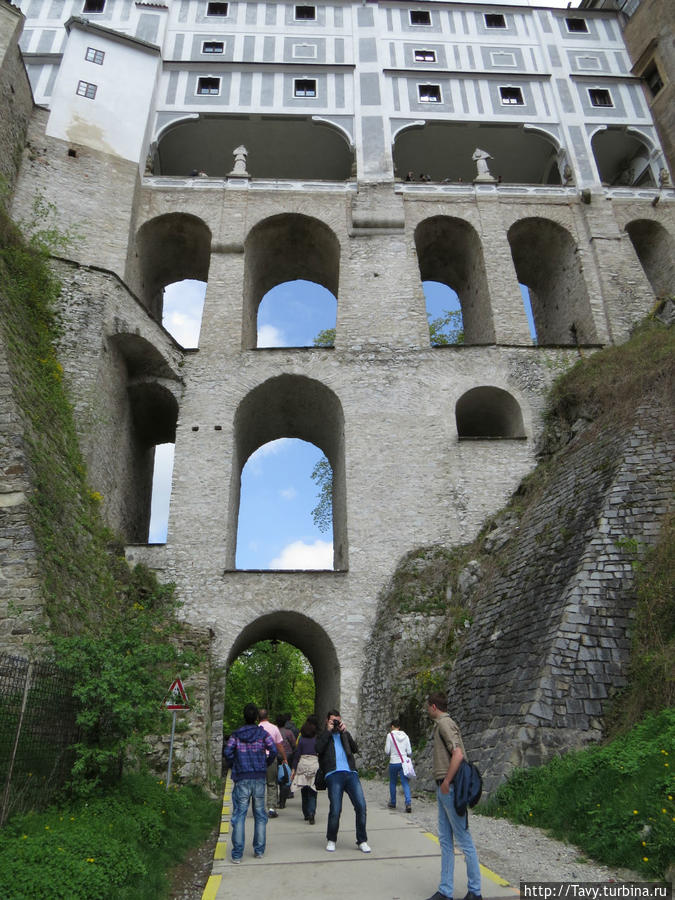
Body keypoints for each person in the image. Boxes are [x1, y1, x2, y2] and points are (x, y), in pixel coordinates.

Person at [424, 692, 482, 900]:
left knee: (464, 840)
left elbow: (457, 754)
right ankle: (445, 890)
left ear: (433, 707)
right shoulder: (445, 724)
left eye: (427, 706)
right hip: (445, 787)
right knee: (446, 840)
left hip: (449, 786)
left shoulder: (443, 724)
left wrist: (447, 782)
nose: (427, 709)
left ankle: (475, 891)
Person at [222, 702, 277, 863]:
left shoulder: (236, 735)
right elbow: (273, 750)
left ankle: (237, 854)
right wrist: (265, 763)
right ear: (256, 718)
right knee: (260, 814)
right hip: (259, 777)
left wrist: (234, 764)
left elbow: (227, 752)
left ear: (244, 716)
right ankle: (259, 850)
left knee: (239, 815)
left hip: (242, 778)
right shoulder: (263, 734)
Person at [315, 709, 370, 853]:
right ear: (327, 721)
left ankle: (362, 840)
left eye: (337, 720)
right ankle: (331, 839)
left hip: (351, 773)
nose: (335, 723)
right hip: (333, 774)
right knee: (335, 808)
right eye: (333, 720)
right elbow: (318, 748)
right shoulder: (322, 735)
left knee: (361, 806)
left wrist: (345, 732)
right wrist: (328, 731)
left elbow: (355, 749)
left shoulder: (343, 734)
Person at [258, 708, 287, 818]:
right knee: (272, 783)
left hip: (258, 759)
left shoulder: (257, 729)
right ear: (268, 717)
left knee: (259, 784)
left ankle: (259, 808)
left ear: (258, 718)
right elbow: (279, 745)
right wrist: (284, 758)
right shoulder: (274, 728)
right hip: (271, 758)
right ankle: (271, 808)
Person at [290, 716, 320, 824]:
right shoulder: (316, 739)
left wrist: (293, 769)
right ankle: (312, 812)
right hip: (313, 764)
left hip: (302, 763)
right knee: (313, 789)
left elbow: (297, 755)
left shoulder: (301, 740)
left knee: (304, 790)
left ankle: (306, 813)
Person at [385, 719, 412, 813]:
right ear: (399, 727)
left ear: (392, 726)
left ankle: (393, 802)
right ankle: (408, 803)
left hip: (393, 762)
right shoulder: (406, 736)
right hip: (403, 762)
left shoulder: (390, 736)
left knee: (393, 782)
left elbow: (387, 751)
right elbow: (409, 752)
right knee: (405, 783)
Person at [275, 714, 296, 808]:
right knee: (286, 777)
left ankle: (277, 799)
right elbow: (294, 744)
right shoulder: (289, 732)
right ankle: (283, 799)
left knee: (277, 777)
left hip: (276, 756)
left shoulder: (275, 731)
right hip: (288, 756)